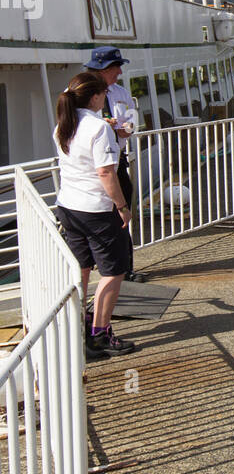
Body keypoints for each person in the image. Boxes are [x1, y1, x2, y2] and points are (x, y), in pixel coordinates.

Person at [53, 72, 137, 360]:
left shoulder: (63, 125)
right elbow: (105, 173)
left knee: (81, 268)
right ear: (94, 97)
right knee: (113, 271)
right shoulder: (98, 128)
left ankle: (78, 328)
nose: (105, 99)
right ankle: (100, 334)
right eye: (103, 94)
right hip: (96, 210)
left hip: (69, 207)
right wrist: (122, 207)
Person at [84, 46, 142, 282]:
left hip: (116, 161)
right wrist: (102, 126)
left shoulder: (121, 93)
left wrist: (124, 128)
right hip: (90, 166)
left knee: (122, 214)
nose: (119, 72)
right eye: (116, 67)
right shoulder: (77, 92)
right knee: (95, 216)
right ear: (103, 69)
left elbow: (132, 123)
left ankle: (124, 268)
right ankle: (95, 266)